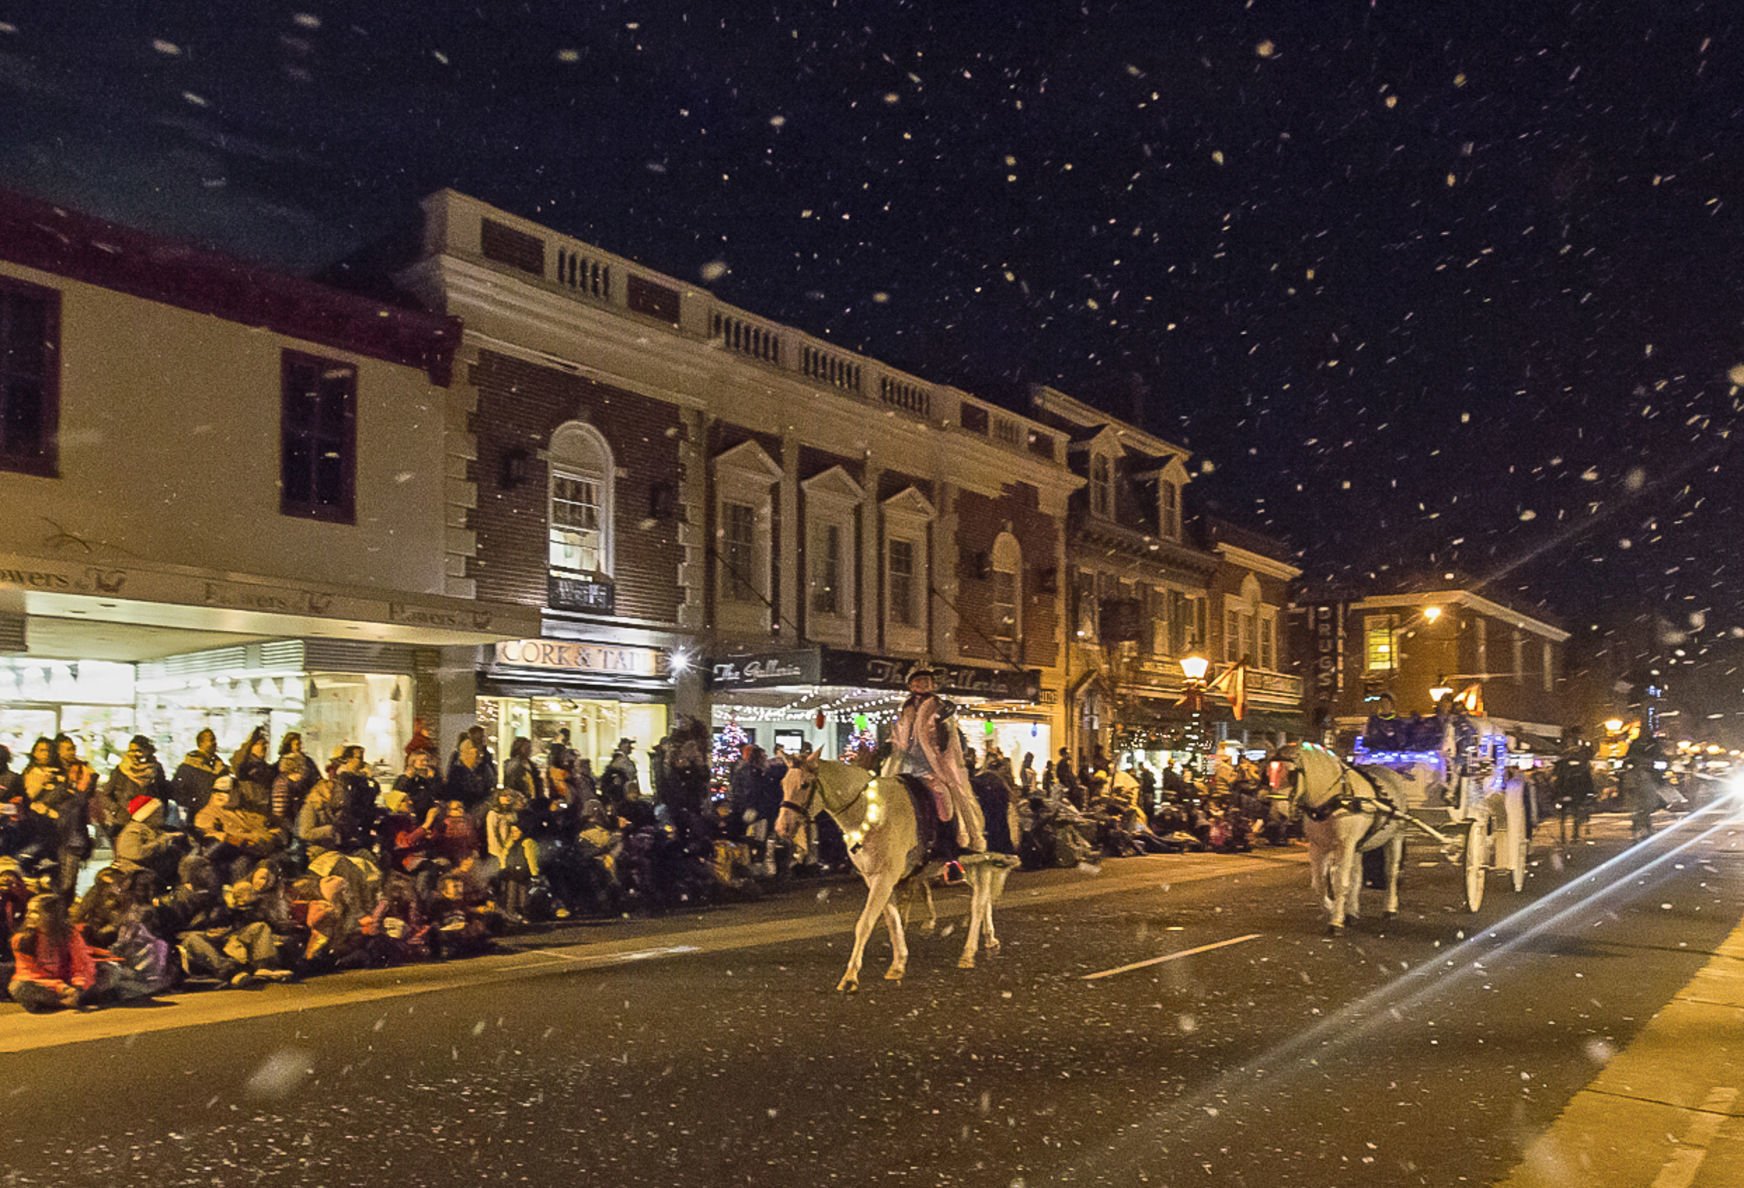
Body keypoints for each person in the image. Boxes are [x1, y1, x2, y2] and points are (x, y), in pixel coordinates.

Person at [883, 661, 986, 852]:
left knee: (947, 794)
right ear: (911, 684)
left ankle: (961, 837)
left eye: (926, 680)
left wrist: (943, 735)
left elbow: (948, 736)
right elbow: (900, 737)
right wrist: (890, 748)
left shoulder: (939, 706)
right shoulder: (906, 708)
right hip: (907, 763)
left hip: (935, 764)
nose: (923, 684)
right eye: (919, 680)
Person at [8, 892, 121, 1012]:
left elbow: (82, 964)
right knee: (17, 987)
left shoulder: (69, 935)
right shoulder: (21, 940)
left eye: (35, 912)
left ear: (52, 915)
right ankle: (65, 1002)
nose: (28, 916)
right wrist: (62, 988)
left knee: (110, 970)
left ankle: (73, 999)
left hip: (72, 983)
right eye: (28, 911)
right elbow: (28, 974)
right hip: (47, 986)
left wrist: (78, 987)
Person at [98, 736, 168, 842]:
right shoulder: (121, 770)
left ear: (148, 751)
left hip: (149, 821)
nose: (135, 754)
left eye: (139, 751)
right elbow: (106, 794)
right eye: (131, 750)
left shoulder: (156, 769)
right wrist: (116, 810)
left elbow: (163, 793)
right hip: (124, 821)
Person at [170, 729, 228, 825]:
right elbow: (177, 791)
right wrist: (194, 804)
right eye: (211, 740)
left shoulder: (220, 767)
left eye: (214, 740)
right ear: (201, 743)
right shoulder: (188, 767)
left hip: (218, 814)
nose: (214, 743)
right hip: (195, 816)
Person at [272, 732, 321, 823]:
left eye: (300, 743)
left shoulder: (307, 761)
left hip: (307, 799)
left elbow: (316, 777)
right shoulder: (280, 764)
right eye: (297, 744)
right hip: (290, 803)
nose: (299, 746)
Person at [229, 727, 275, 817]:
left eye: (265, 744)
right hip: (251, 809)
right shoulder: (244, 765)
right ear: (252, 746)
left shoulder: (264, 766)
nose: (264, 747)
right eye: (260, 744)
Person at [446, 734, 494, 814]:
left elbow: (489, 786)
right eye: (476, 753)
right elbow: (454, 793)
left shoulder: (484, 769)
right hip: (465, 809)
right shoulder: (457, 772)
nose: (479, 756)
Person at [393, 748, 445, 820]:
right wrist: (407, 778)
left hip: (431, 814)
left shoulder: (435, 778)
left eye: (426, 760)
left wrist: (431, 779)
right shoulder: (405, 778)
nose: (425, 763)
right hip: (410, 814)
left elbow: (438, 794)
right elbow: (397, 794)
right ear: (413, 762)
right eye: (421, 760)